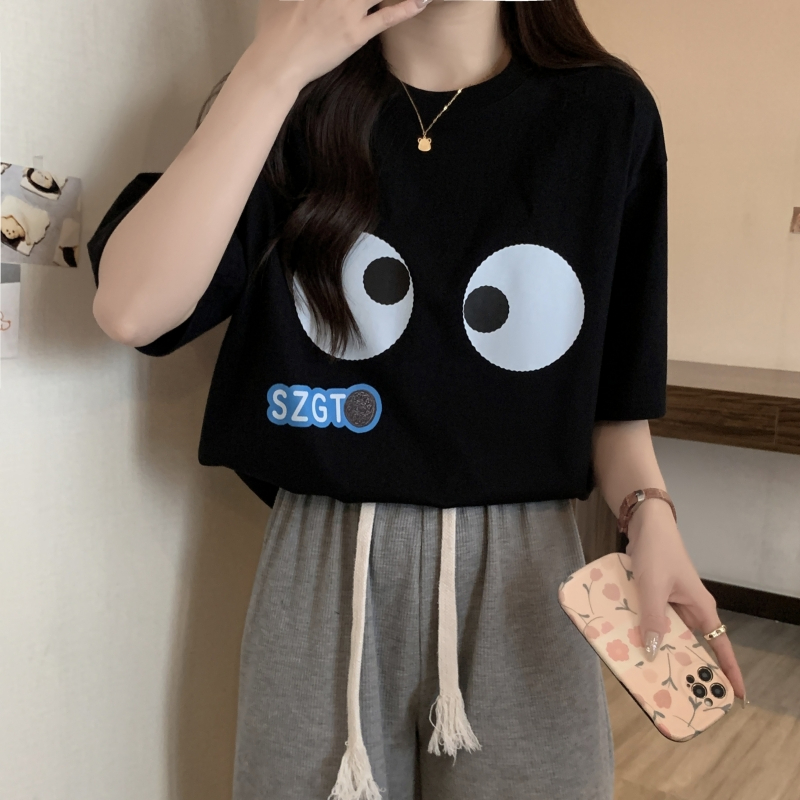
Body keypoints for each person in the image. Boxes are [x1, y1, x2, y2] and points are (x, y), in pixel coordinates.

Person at [87, 1, 747, 798]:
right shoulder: (295, 97)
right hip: (324, 564)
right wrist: (271, 66)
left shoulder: (606, 111)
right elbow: (133, 310)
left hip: (527, 568)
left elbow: (612, 395)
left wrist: (650, 513)